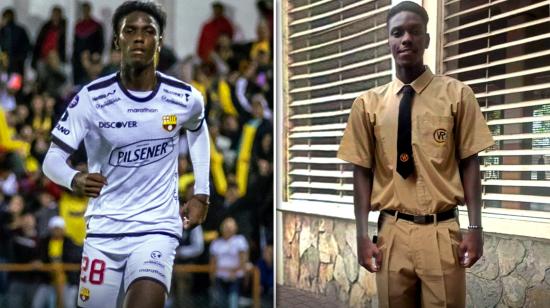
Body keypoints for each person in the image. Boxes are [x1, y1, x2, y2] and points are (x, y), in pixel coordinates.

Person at [41, 1, 210, 307]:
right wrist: (74, 179)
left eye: (149, 31)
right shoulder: (91, 98)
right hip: (104, 231)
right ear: (117, 40)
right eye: (130, 31)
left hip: (156, 228)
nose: (140, 38)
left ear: (159, 41)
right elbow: (51, 159)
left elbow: (199, 130)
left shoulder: (185, 98)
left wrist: (202, 193)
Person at [337, 2, 494, 307]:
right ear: (388, 41)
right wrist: (360, 234)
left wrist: (475, 228)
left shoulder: (457, 95)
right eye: (397, 32)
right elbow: (361, 171)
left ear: (427, 40)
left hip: (441, 231)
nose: (406, 38)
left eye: (414, 31)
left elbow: (470, 163)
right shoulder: (367, 104)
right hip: (391, 233)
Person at [209, 217, 248, 308]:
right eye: (226, 226)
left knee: (233, 303)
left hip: (235, 278)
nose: (228, 229)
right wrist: (212, 278)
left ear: (235, 228)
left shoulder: (240, 240)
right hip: (220, 277)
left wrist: (235, 273)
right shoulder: (216, 243)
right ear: (221, 228)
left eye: (231, 226)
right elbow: (213, 262)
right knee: (220, 303)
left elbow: (243, 259)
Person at [72, 2, 105, 86]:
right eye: (84, 10)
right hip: (80, 56)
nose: (85, 12)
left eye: (87, 10)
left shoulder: (97, 25)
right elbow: (75, 44)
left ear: (90, 10)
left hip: (93, 55)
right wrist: (81, 54)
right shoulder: (78, 25)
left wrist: (96, 53)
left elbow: (100, 43)